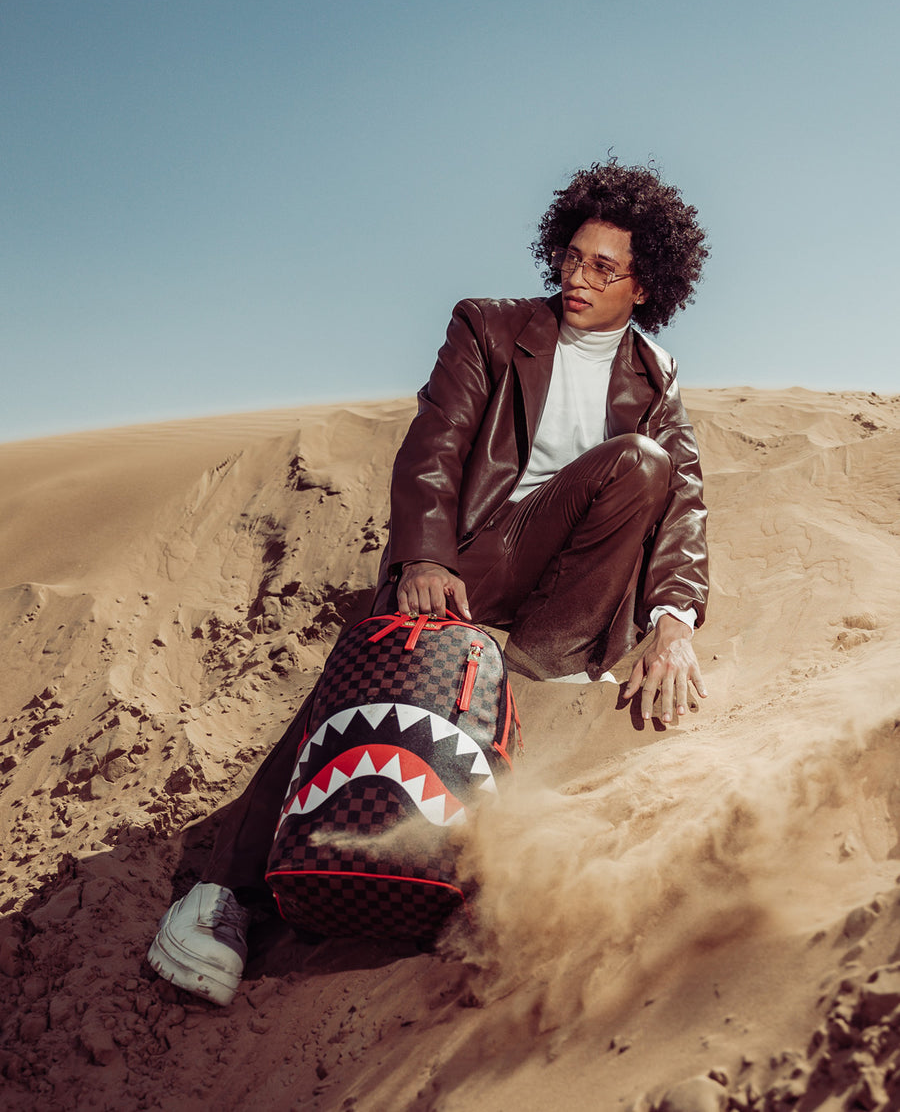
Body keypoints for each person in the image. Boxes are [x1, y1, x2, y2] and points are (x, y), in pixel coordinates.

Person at [148, 158, 710, 1005]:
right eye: (571, 256)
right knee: (367, 682)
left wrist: (674, 623)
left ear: (645, 285)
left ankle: (539, 679)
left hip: (562, 596)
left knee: (644, 463)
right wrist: (424, 556)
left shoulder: (655, 374)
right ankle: (218, 895)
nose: (577, 277)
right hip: (468, 559)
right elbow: (436, 444)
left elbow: (684, 500)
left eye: (604, 267)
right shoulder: (490, 326)